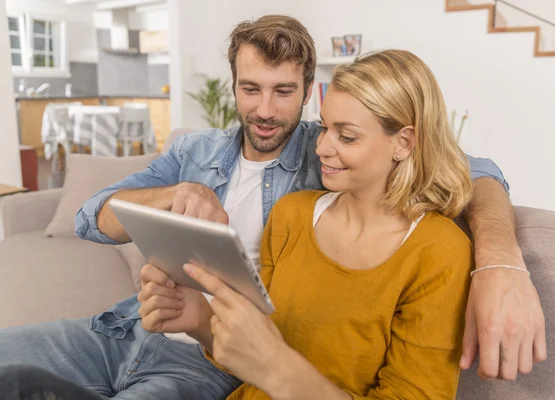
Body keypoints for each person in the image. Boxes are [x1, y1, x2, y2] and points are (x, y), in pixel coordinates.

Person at [0, 15, 544, 399]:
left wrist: (499, 260)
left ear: (309, 91)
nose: (264, 110)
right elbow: (88, 216)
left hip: (212, 366)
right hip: (130, 327)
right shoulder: (197, 151)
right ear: (232, 86)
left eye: (283, 91)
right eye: (250, 88)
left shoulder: (324, 155)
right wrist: (175, 196)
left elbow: (469, 169)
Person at [141, 48, 475, 398]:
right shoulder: (292, 214)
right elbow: (252, 354)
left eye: (346, 136)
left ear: (404, 142)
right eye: (324, 128)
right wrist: (198, 318)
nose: (322, 148)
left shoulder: (438, 252)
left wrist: (277, 368)